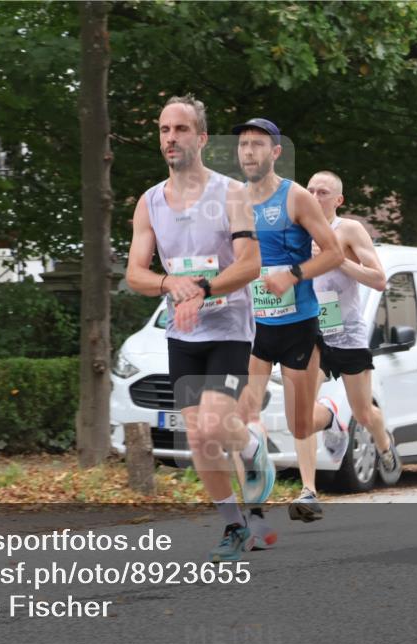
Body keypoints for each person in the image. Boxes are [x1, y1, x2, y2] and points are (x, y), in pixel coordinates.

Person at [125, 96, 275, 562]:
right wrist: (170, 282)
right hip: (182, 334)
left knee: (216, 423)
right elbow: (135, 273)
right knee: (199, 439)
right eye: (164, 129)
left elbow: (250, 265)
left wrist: (202, 291)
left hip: (229, 328)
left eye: (181, 129)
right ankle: (236, 527)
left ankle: (252, 449)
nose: (171, 138)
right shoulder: (150, 203)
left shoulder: (231, 194)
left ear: (202, 138)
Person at [233, 119, 343, 525]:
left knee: (300, 422)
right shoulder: (233, 200)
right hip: (254, 327)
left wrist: (291, 275)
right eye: (243, 145)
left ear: (275, 152)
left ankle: (329, 417)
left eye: (258, 145)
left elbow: (332, 253)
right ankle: (257, 505)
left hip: (298, 322)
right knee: (246, 414)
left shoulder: (295, 197)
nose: (248, 152)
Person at [306, 170, 397, 478]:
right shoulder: (297, 230)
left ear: (338, 200)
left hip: (346, 334)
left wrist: (337, 260)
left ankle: (384, 445)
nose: (315, 197)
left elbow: (379, 279)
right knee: (301, 408)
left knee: (363, 412)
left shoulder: (349, 230)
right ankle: (331, 419)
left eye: (323, 192)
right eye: (311, 191)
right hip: (312, 333)